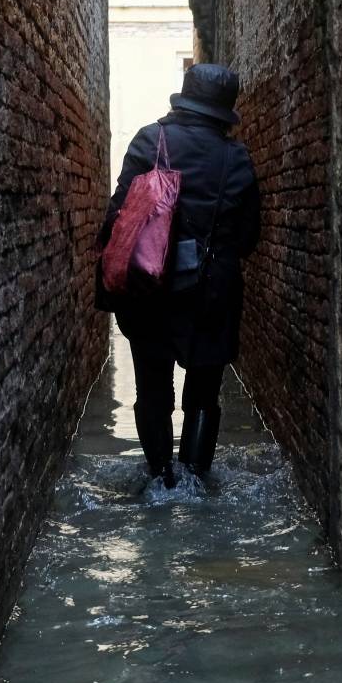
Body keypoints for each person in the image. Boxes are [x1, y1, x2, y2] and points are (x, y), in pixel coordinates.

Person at [96, 64, 262, 488]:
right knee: (204, 393)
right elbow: (248, 238)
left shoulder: (150, 140)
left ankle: (158, 479)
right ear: (224, 111)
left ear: (185, 98)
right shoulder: (236, 157)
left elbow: (118, 216)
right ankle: (192, 482)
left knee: (152, 388)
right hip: (212, 293)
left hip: (148, 288)